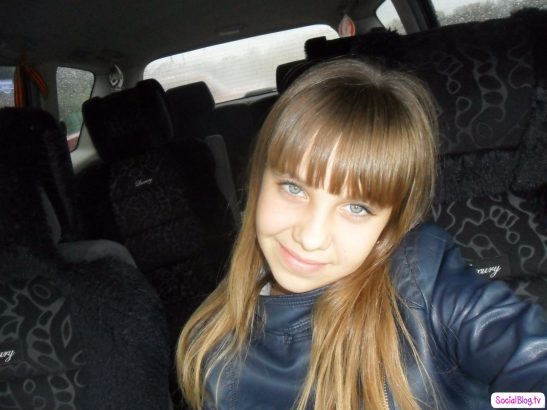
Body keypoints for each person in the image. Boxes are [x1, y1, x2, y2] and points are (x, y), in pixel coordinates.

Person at [176, 59, 547, 409]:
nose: (311, 237)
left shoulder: (420, 280)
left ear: (390, 224)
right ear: (258, 184)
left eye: (357, 208)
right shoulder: (212, 350)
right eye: (293, 188)